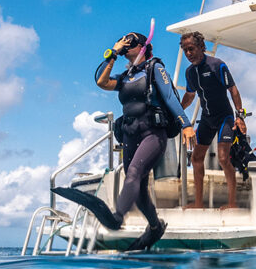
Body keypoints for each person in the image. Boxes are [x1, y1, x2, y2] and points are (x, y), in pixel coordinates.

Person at [54, 30, 184, 251]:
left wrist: (186, 124)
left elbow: (170, 98)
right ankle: (155, 227)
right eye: (124, 40)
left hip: (153, 132)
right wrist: (112, 54)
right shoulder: (125, 78)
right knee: (139, 184)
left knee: (133, 173)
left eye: (130, 41)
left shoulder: (154, 69)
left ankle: (117, 217)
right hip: (131, 132)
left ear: (143, 46)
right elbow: (101, 82)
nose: (126, 43)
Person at [177, 32, 246, 210]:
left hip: (225, 117)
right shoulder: (190, 72)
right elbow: (190, 96)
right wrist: (176, 111)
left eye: (191, 49)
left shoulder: (217, 65)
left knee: (223, 159)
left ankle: (232, 203)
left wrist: (240, 116)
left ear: (201, 47)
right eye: (185, 51)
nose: (188, 54)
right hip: (207, 119)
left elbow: (233, 90)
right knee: (196, 158)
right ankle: (199, 203)